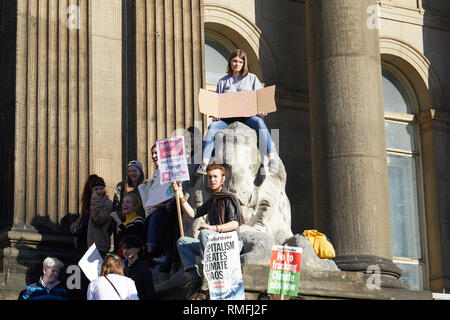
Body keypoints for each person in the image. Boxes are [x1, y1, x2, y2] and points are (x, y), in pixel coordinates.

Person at [196, 49, 279, 182]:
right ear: (230, 62)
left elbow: (260, 99)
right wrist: (215, 113)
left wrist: (261, 109)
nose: (237, 64)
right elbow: (217, 102)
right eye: (235, 61)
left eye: (240, 62)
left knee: (259, 123)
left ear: (244, 63)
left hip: (247, 117)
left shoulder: (252, 78)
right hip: (226, 118)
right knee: (212, 127)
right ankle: (205, 163)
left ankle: (271, 159)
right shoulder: (223, 81)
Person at [173, 163, 244, 299]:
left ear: (223, 179)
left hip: (230, 244)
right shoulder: (212, 200)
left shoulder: (230, 198)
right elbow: (192, 214)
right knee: (182, 241)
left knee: (205, 233)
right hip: (214, 244)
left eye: (215, 177)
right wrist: (181, 196)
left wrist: (213, 228)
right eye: (210, 177)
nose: (212, 180)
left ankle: (207, 276)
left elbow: (235, 224)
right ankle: (195, 277)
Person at [144, 144, 180, 273]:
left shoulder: (172, 170)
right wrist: (148, 186)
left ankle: (152, 253)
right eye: (152, 154)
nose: (154, 156)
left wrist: (166, 204)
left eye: (156, 153)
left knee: (157, 218)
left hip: (172, 209)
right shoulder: (155, 174)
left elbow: (175, 192)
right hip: (159, 208)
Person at [71, 175, 113, 257]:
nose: (99, 191)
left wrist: (95, 201)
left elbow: (99, 219)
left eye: (101, 189)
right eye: (96, 189)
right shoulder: (90, 203)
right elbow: (83, 218)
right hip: (84, 242)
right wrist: (75, 228)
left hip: (98, 245)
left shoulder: (107, 203)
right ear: (91, 190)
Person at [111, 160, 146, 251]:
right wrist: (119, 220)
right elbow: (116, 205)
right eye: (130, 171)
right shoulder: (121, 186)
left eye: (134, 171)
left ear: (140, 172)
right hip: (124, 217)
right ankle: (117, 251)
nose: (132, 174)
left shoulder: (145, 186)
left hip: (139, 218)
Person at [110, 193, 146, 257]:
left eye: (128, 202)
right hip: (121, 256)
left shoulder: (138, 221)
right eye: (123, 202)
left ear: (135, 206)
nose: (124, 204)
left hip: (134, 257)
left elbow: (131, 238)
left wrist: (118, 221)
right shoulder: (122, 224)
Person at [121, 235, 156, 300]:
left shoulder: (143, 269)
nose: (125, 251)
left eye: (129, 247)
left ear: (138, 249)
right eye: (124, 248)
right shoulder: (121, 267)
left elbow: (150, 294)